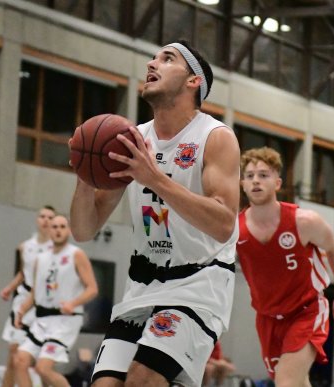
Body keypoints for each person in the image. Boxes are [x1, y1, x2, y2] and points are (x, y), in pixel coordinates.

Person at [69, 40, 240, 387]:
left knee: (142, 379)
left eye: (167, 58)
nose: (152, 62)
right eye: (152, 57)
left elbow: (224, 224)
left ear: (193, 81)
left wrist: (154, 179)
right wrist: (86, 176)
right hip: (142, 287)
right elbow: (84, 229)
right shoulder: (131, 139)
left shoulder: (215, 137)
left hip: (197, 286)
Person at [236, 147, 334, 386]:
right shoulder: (234, 229)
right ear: (242, 184)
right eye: (250, 176)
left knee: (286, 381)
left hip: (306, 310)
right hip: (267, 317)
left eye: (263, 175)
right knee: (297, 382)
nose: (256, 180)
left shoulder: (304, 221)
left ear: (277, 183)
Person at [13, 214, 98, 387]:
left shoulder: (76, 254)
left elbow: (92, 288)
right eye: (55, 227)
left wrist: (72, 303)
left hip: (65, 321)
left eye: (62, 226)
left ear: (68, 230)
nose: (58, 230)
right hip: (42, 320)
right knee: (20, 360)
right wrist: (22, 310)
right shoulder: (41, 259)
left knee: (43, 368)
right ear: (49, 230)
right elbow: (36, 292)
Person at [0, 205, 56, 387]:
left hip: (43, 308)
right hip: (22, 303)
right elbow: (23, 273)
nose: (46, 220)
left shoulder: (57, 249)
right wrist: (9, 288)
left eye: (50, 217)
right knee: (13, 356)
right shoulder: (26, 247)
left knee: (40, 365)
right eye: (43, 216)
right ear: (37, 219)